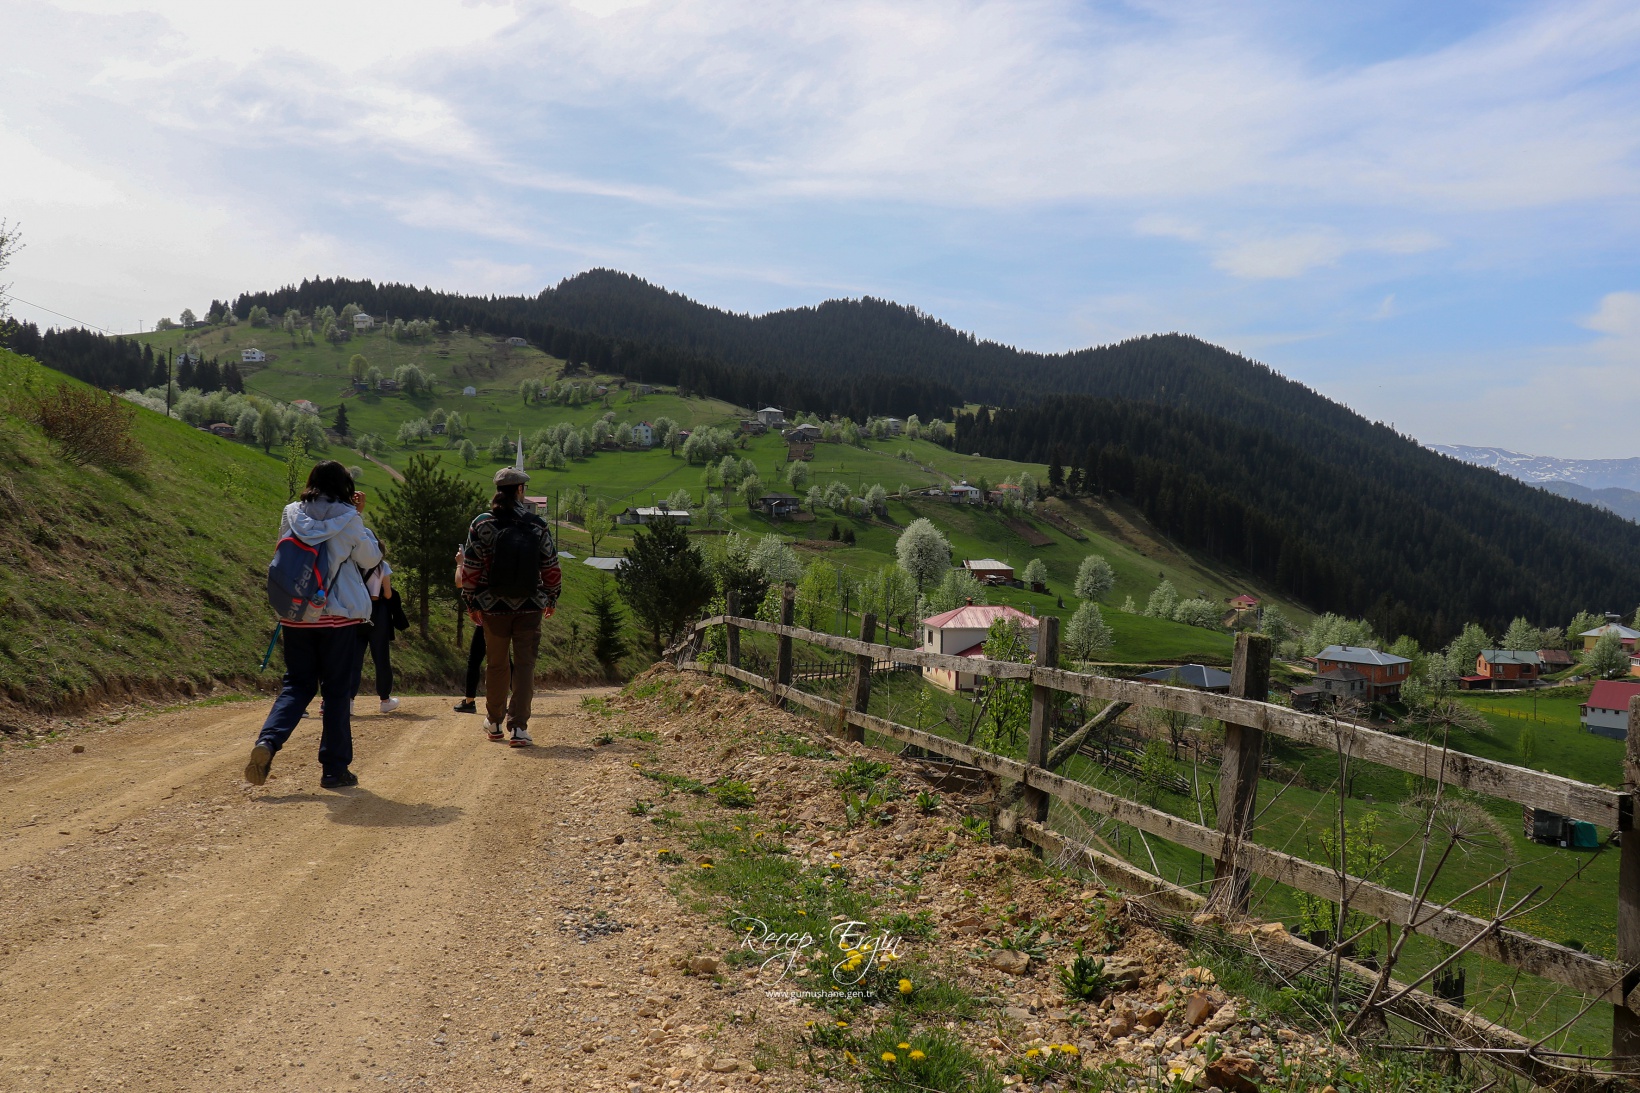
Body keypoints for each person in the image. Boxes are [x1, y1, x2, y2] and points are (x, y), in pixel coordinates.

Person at [246, 461, 383, 789]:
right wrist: (357, 515)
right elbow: (371, 559)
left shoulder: (291, 512)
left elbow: (284, 553)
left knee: (297, 685)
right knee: (336, 691)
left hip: (297, 612)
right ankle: (334, 770)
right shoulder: (349, 518)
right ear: (345, 488)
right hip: (337, 616)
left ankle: (268, 741)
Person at [458, 467, 560, 745]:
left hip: (494, 607)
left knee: (496, 664)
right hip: (529, 606)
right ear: (520, 490)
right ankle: (519, 727)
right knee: (525, 665)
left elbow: (471, 567)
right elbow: (550, 564)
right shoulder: (536, 524)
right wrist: (551, 597)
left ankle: (493, 723)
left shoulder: (481, 524)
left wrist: (471, 601)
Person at [347, 490, 409, 713]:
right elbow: (388, 594)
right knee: (381, 658)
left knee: (354, 659)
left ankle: (350, 701)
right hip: (378, 612)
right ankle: (384, 700)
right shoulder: (383, 566)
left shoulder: (353, 564)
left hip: (356, 612)